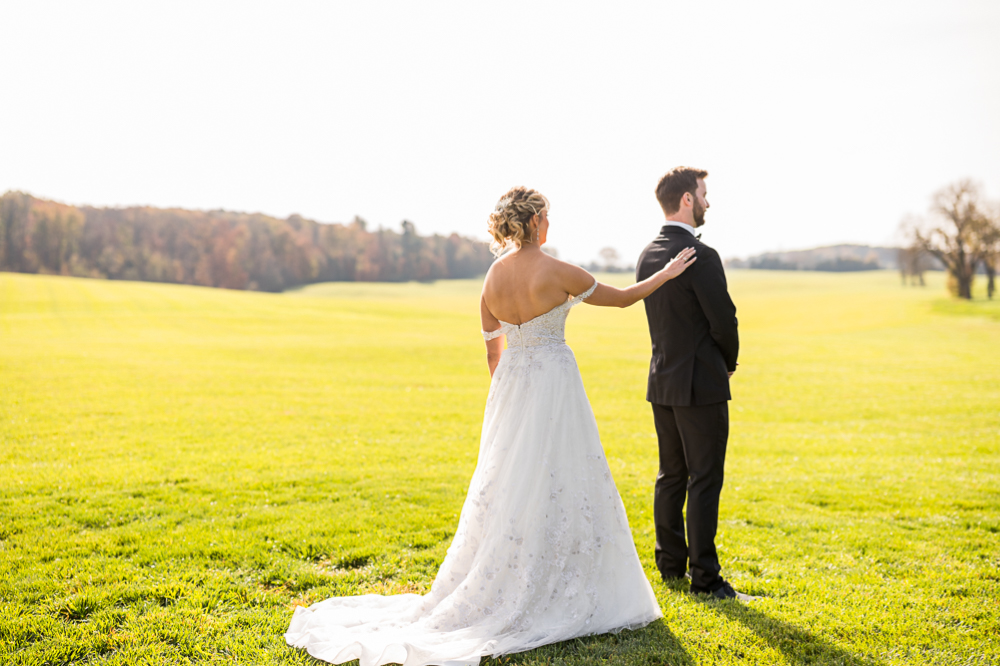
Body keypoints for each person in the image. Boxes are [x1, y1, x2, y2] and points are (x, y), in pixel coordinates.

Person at [285, 186, 697, 665]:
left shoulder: (493, 276)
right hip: (554, 386)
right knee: (562, 476)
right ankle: (556, 582)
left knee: (510, 485)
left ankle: (521, 573)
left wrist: (507, 396)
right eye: (549, 216)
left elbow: (491, 349)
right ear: (538, 219)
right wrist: (667, 274)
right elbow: (623, 299)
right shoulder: (557, 268)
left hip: (512, 388)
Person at [636, 167, 750, 601]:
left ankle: (670, 567)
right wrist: (729, 362)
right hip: (700, 383)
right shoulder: (702, 255)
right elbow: (724, 320)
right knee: (704, 479)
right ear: (687, 199)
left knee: (671, 475)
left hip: (661, 380)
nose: (708, 202)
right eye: (704, 194)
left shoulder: (647, 253)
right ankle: (706, 579)